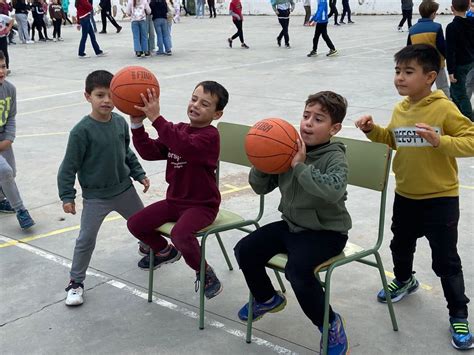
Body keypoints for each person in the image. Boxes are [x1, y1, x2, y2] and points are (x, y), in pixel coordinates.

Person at [354, 44, 474, 351]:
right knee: (400, 243)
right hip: (406, 194)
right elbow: (394, 140)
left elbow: (471, 140)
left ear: (430, 76)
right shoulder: (401, 109)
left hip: (440, 198)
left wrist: (440, 141)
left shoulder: (443, 108)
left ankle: (458, 313)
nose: (399, 78)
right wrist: (373, 131)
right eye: (397, 71)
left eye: (408, 72)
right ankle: (405, 279)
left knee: (445, 259)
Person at [234, 91, 351, 355]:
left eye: (318, 119)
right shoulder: (287, 148)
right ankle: (267, 298)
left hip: (327, 233)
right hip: (292, 226)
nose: (308, 123)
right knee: (245, 249)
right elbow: (260, 188)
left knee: (297, 271)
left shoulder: (335, 157)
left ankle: (329, 323)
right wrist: (262, 160)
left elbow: (332, 191)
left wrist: (299, 166)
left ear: (335, 128)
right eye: (306, 115)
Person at [126, 81, 229, 300]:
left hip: (202, 205)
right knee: (135, 224)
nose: (196, 105)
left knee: (181, 233)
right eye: (194, 99)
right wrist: (137, 126)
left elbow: (185, 146)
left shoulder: (210, 137)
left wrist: (157, 119)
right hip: (175, 201)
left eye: (205, 104)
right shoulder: (179, 130)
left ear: (217, 114)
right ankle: (165, 251)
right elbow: (150, 152)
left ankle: (205, 272)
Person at [58, 70, 149, 306]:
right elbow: (69, 166)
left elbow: (126, 152)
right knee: (86, 239)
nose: (106, 101)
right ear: (87, 96)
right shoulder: (81, 131)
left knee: (145, 226)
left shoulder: (119, 122)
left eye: (110, 95)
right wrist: (68, 195)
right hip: (96, 196)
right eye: (100, 95)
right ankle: (75, 283)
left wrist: (139, 174)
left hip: (124, 190)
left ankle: (147, 250)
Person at [0, 50, 35, 230]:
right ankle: (21, 210)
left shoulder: (10, 89)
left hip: (3, 139)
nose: (1, 71)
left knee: (11, 172)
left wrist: (9, 138)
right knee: (4, 171)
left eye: (3, 66)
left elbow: (11, 116)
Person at [407, 0, 450, 98]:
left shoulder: (412, 29)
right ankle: (447, 106)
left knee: (422, 87)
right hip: (437, 63)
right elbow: (441, 46)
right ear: (433, 13)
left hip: (420, 64)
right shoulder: (437, 27)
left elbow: (409, 48)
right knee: (443, 87)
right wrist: (447, 57)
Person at [445, 0, 474, 120]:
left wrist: (450, 71)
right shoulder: (472, 22)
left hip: (459, 65)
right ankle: (456, 116)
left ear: (452, 8)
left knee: (460, 94)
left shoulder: (452, 27)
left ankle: (469, 119)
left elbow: (450, 51)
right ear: (468, 7)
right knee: (454, 92)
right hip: (470, 61)